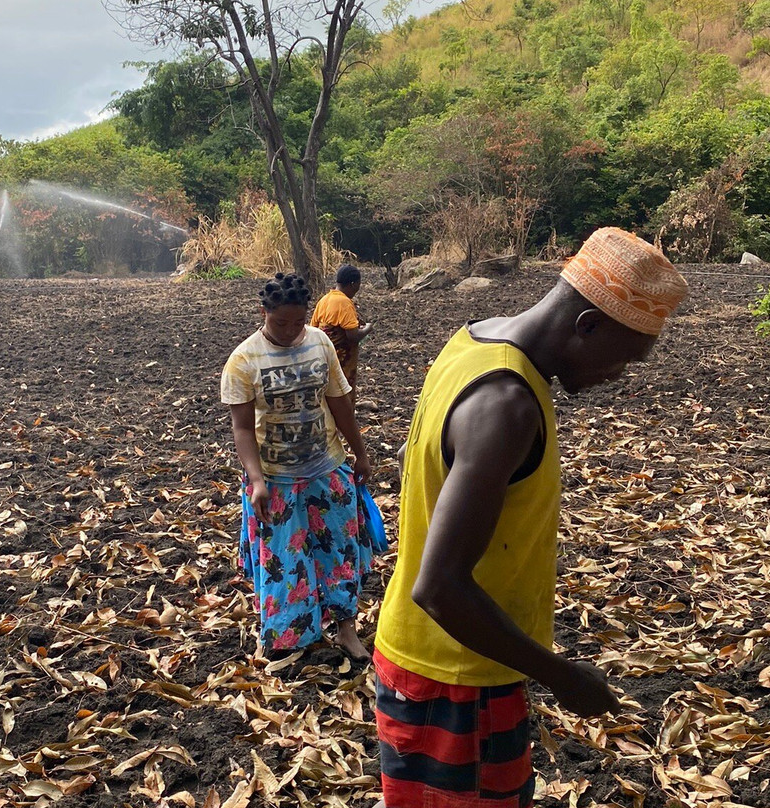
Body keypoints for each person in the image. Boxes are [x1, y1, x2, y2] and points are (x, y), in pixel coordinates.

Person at [373, 228, 689, 807]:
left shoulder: (473, 342)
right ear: (587, 325)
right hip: (454, 677)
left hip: (446, 660)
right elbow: (439, 588)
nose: (617, 377)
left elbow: (416, 464)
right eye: (623, 358)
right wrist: (566, 678)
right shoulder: (508, 404)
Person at [221, 272, 378, 660]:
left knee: (339, 552)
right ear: (264, 312)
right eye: (281, 323)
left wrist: (360, 451)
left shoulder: (320, 342)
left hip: (326, 466)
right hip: (276, 477)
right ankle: (290, 634)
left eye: (298, 322)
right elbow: (242, 429)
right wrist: (256, 480)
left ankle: (346, 629)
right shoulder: (243, 360)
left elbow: (340, 401)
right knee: (284, 562)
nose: (291, 330)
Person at [311, 264, 374, 406]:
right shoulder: (344, 302)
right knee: (343, 392)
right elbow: (353, 336)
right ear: (353, 284)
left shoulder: (324, 300)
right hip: (341, 360)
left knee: (327, 393)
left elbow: (314, 328)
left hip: (322, 357)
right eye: (358, 284)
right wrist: (368, 329)